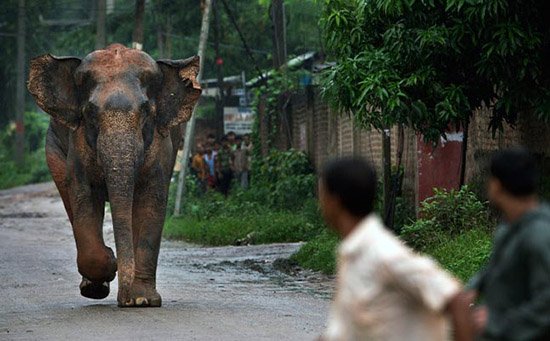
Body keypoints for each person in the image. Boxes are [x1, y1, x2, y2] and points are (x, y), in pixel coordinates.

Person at [319, 157, 473, 341]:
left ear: (334, 201)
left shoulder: (382, 253)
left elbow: (456, 300)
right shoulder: (352, 254)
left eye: (321, 195)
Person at [466, 147, 550, 340]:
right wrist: (476, 286)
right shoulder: (509, 226)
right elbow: (496, 265)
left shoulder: (540, 235)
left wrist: (497, 323)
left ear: (496, 185)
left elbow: (546, 304)